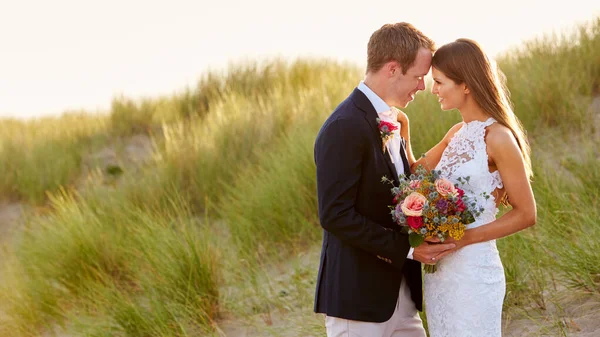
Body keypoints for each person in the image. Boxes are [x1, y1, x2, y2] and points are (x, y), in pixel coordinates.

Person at [313, 22, 456, 337]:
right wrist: (409, 249)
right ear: (393, 69)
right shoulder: (344, 126)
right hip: (359, 302)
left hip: (401, 298)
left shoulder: (393, 121)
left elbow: (397, 197)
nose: (422, 86)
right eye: (418, 76)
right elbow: (335, 215)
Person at [398, 38, 537, 336]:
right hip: (442, 274)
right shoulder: (456, 133)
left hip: (475, 273)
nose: (433, 90)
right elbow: (413, 176)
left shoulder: (498, 138)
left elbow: (526, 214)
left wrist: (463, 239)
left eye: (439, 82)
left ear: (466, 85)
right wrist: (403, 129)